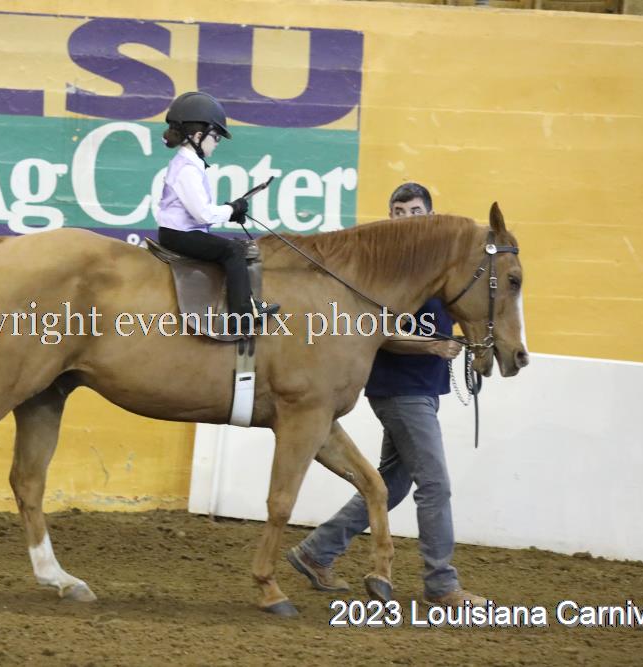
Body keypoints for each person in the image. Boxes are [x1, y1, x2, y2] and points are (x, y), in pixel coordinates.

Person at [286, 182, 486, 607]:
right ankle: (441, 583)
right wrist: (431, 346)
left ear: (430, 216)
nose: (406, 219)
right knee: (435, 484)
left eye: (415, 211)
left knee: (391, 485)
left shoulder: (435, 270)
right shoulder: (390, 272)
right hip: (400, 390)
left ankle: (317, 551)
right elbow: (374, 330)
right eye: (399, 211)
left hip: (421, 389)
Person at [155, 91, 278, 324]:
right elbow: (202, 214)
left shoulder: (190, 164)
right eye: (216, 136)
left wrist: (231, 211)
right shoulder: (187, 168)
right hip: (179, 235)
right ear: (198, 136)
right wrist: (231, 209)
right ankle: (242, 314)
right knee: (233, 251)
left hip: (182, 232)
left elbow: (202, 212)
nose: (217, 142)